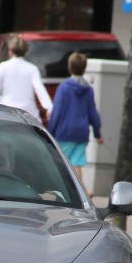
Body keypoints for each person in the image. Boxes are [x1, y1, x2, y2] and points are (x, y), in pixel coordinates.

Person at [48, 52, 102, 196]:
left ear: (69, 68)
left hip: (64, 132)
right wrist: (98, 133)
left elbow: (57, 112)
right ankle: (82, 190)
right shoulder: (88, 90)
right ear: (84, 69)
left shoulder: (64, 88)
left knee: (61, 163)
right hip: (81, 133)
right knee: (76, 163)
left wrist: (50, 133)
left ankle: (74, 191)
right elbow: (93, 113)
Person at [0, 36, 53, 121]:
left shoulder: (2, 67)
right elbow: (40, 90)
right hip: (28, 113)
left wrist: (2, 102)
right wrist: (49, 107)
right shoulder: (32, 68)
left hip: (8, 112)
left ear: (10, 50)